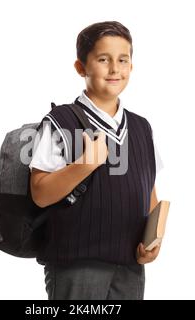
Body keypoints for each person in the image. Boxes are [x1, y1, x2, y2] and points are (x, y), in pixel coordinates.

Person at [29, 21, 164, 300]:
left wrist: (153, 238)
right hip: (76, 267)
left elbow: (147, 187)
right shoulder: (61, 122)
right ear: (81, 68)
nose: (115, 69)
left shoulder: (141, 127)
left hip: (129, 266)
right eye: (104, 59)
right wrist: (84, 166)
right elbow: (40, 193)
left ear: (131, 66)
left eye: (123, 60)